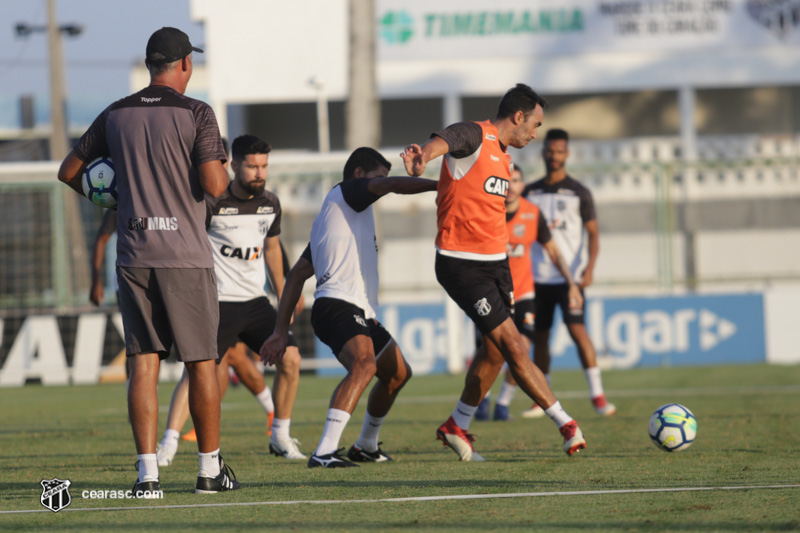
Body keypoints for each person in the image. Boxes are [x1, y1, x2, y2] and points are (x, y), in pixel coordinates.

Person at [57, 27, 239, 495]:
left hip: (135, 254)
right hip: (185, 255)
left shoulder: (115, 113)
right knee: (202, 362)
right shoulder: (197, 112)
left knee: (143, 363)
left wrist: (110, 198)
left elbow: (69, 171)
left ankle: (148, 475)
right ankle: (209, 471)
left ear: (149, 65)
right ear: (186, 64)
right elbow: (216, 186)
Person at [400, 83, 586, 461]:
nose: (535, 134)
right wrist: (425, 156)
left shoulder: (506, 159)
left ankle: (456, 425)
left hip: (496, 265)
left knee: (496, 352)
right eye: (535, 125)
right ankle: (566, 424)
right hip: (461, 262)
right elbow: (446, 141)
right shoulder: (475, 135)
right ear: (518, 116)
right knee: (515, 346)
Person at [260, 147, 437, 468]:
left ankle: (365, 445)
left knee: (397, 374)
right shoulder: (347, 192)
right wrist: (442, 185)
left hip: (358, 309)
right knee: (364, 365)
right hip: (337, 305)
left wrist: (280, 332)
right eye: (377, 178)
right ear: (358, 175)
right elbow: (392, 185)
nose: (381, 185)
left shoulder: (336, 217)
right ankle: (324, 452)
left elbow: (297, 274)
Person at [156, 134, 306, 466]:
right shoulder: (212, 203)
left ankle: (280, 436)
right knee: (197, 373)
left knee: (292, 358)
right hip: (217, 304)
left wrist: (284, 293)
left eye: (264, 166)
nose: (259, 173)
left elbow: (271, 249)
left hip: (255, 303)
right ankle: (168, 444)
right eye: (252, 167)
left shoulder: (270, 203)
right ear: (234, 166)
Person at [473, 166, 582, 421]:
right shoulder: (487, 212)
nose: (511, 186)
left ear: (523, 185)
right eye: (506, 181)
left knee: (522, 347)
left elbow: (553, 250)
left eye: (516, 180)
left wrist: (572, 283)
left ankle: (503, 404)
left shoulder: (532, 213)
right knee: (487, 351)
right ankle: (481, 400)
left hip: (522, 294)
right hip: (490, 295)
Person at [521, 128, 616, 418]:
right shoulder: (530, 192)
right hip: (537, 278)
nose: (554, 156)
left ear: (567, 154)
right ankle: (542, 398)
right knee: (540, 337)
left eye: (559, 151)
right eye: (550, 151)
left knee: (578, 331)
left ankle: (598, 396)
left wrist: (589, 267)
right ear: (543, 153)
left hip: (569, 279)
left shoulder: (579, 192)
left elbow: (594, 234)